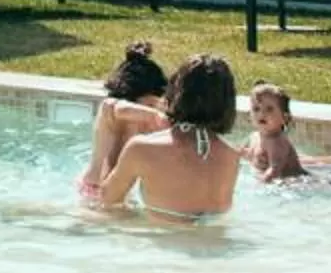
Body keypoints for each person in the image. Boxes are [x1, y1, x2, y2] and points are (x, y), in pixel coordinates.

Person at [94, 53, 244, 222]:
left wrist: (114, 135)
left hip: (160, 243)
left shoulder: (142, 148)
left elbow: (108, 200)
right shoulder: (232, 155)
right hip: (217, 245)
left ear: (176, 92)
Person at [78, 40, 171, 198]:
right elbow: (117, 107)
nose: (154, 108)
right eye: (150, 103)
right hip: (95, 189)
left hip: (118, 195)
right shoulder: (111, 114)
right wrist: (154, 115)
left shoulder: (147, 125)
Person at [242, 83, 307, 182]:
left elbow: (274, 171)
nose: (262, 114)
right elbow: (243, 154)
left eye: (269, 109)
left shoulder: (277, 142)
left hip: (296, 184)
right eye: (256, 109)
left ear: (284, 118)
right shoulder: (254, 136)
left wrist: (256, 186)